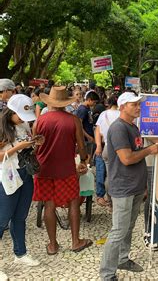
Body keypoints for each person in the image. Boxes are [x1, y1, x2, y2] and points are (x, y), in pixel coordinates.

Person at [99, 92, 158, 280]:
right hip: (123, 187)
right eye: (134, 105)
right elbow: (127, 158)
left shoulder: (133, 127)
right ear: (122, 107)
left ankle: (123, 258)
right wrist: (150, 150)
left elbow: (137, 148)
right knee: (118, 230)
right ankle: (107, 273)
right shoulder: (119, 128)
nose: (138, 107)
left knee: (128, 227)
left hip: (135, 186)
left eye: (139, 104)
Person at [32, 86, 91, 255]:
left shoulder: (39, 121)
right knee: (73, 202)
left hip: (43, 169)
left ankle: (52, 245)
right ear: (65, 102)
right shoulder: (73, 120)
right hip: (66, 169)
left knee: (49, 205)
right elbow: (81, 146)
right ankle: (75, 241)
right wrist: (84, 161)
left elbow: (35, 149)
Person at [0, 95, 44, 273]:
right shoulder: (2, 128)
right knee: (2, 219)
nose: (22, 120)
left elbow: (27, 150)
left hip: (25, 172)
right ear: (10, 112)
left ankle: (20, 253)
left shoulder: (24, 125)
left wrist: (35, 144)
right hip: (7, 175)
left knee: (20, 216)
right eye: (19, 116)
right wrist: (18, 146)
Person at [94, 95, 120, 208]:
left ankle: (110, 201)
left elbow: (98, 131)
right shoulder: (123, 114)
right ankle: (120, 200)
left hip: (107, 148)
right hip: (121, 147)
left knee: (109, 175)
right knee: (121, 175)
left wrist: (98, 145)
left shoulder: (103, 114)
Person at [75, 91, 100, 161]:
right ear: (89, 100)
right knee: (86, 158)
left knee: (89, 156)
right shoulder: (82, 109)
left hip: (89, 136)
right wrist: (88, 136)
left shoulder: (87, 108)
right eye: (94, 102)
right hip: (85, 138)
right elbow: (79, 125)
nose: (94, 104)